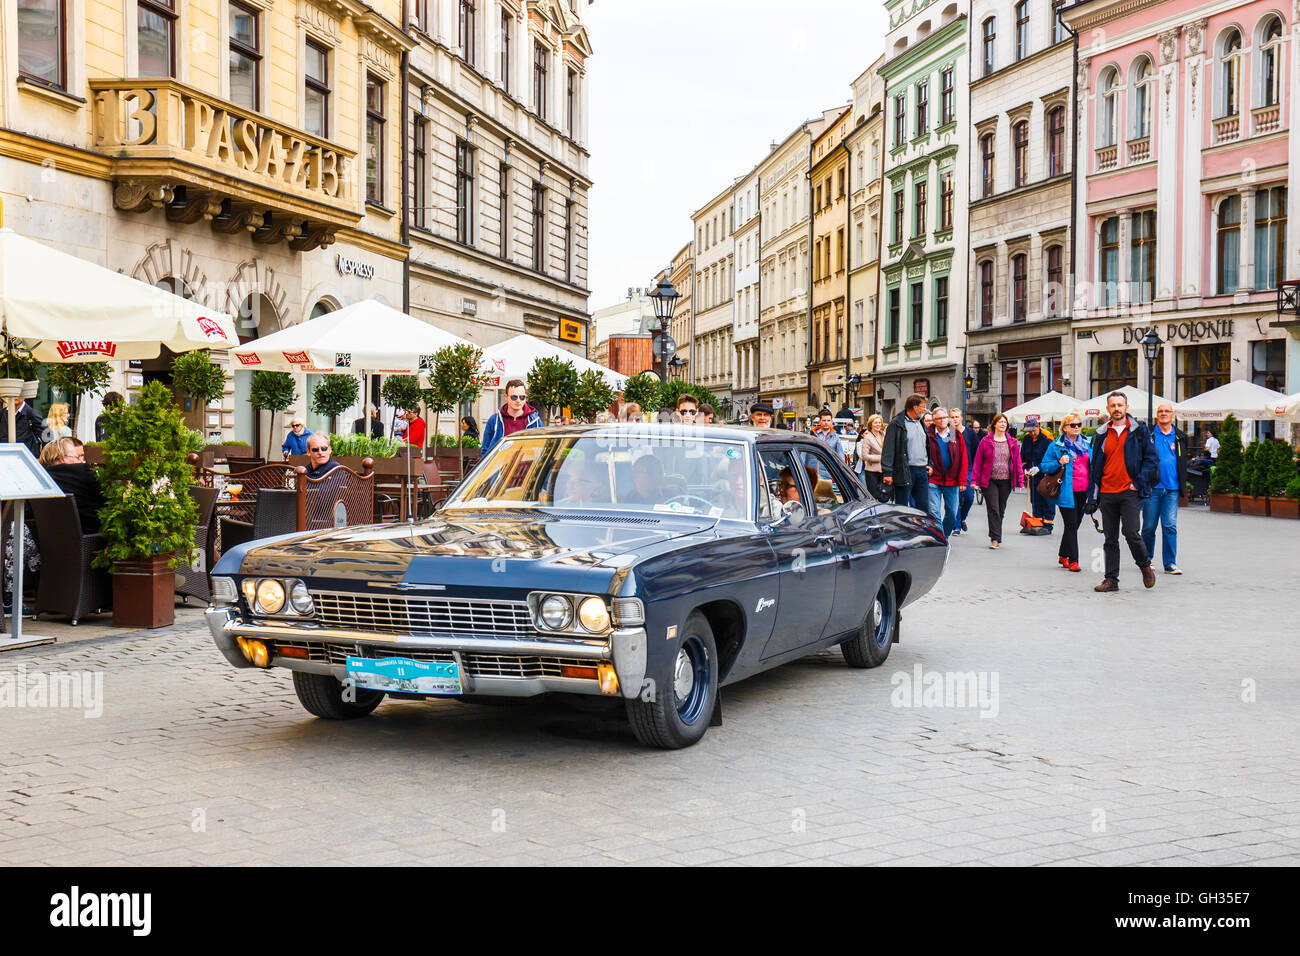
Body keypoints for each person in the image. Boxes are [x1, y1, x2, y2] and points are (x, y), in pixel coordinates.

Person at [1085, 391, 1159, 592]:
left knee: (1131, 531)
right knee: (1110, 538)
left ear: (1126, 407)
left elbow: (1152, 460)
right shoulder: (1101, 433)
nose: (1116, 409)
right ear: (1108, 409)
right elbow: (1095, 468)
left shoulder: (1139, 430)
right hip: (1107, 492)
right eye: (1113, 405)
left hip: (1129, 491)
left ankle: (1144, 565)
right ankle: (1111, 580)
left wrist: (1138, 482)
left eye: (1120, 405)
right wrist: (1092, 496)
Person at [1038, 414, 1090, 572]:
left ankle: (1063, 554)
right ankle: (1073, 560)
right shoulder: (1056, 445)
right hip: (1066, 491)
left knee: (1074, 525)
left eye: (1078, 424)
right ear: (1065, 427)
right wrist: (1058, 462)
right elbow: (1045, 466)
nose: (1076, 427)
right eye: (1072, 425)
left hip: (1084, 490)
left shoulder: (1088, 443)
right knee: (1072, 525)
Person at [1141, 401, 1188, 575]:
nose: (1163, 414)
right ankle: (1146, 560)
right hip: (1152, 488)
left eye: (1167, 411)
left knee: (1169, 526)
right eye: (1160, 411)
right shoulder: (1149, 435)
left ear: (1172, 415)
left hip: (1172, 488)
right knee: (1149, 526)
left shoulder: (1180, 437)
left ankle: (1170, 563)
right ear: (1156, 415)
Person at [971, 412, 1024, 549]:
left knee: (1001, 509)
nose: (1002, 424)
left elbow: (1017, 462)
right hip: (990, 480)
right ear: (994, 424)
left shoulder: (1012, 442)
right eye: (1000, 422)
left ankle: (996, 534)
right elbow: (978, 461)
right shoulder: (986, 441)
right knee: (993, 508)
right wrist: (974, 480)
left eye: (1004, 422)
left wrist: (1021, 480)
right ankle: (995, 539)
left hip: (1006, 480)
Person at [39, 437, 106, 534]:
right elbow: (108, 499)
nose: (81, 462)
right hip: (92, 539)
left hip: (49, 540)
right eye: (78, 457)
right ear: (62, 458)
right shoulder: (83, 473)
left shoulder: (41, 480)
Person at [881, 394, 931, 511]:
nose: (924, 410)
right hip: (904, 470)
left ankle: (919, 528)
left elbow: (926, 446)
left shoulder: (921, 423)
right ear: (915, 407)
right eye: (923, 407)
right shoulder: (897, 423)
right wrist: (887, 472)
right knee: (902, 507)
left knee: (923, 507)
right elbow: (888, 449)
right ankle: (901, 528)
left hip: (922, 471)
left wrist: (930, 464)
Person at [925, 408, 968, 538]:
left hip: (952, 479)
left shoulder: (954, 434)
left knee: (952, 512)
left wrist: (962, 480)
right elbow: (922, 453)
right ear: (934, 421)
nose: (943, 420)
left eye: (944, 417)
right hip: (933, 479)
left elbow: (963, 457)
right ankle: (940, 539)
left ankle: (944, 535)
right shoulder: (929, 434)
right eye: (939, 418)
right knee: (934, 512)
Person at [482, 380, 543, 454]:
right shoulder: (494, 420)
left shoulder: (535, 421)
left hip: (526, 464)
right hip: (500, 464)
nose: (518, 400)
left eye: (522, 397)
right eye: (514, 397)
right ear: (506, 397)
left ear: (526, 398)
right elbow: (485, 449)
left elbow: (540, 448)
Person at [1020, 415, 1056, 530]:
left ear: (1038, 426)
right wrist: (1025, 469)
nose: (1032, 433)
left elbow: (1052, 458)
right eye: (1029, 431)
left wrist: (1040, 467)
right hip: (1033, 476)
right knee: (1035, 500)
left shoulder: (1047, 439)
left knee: (1047, 500)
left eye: (1033, 431)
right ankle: (1037, 522)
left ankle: (1048, 525)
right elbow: (1023, 458)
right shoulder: (1026, 439)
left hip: (1046, 476)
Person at [952, 409, 976, 532]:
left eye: (957, 416)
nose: (954, 419)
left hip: (969, 468)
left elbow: (976, 451)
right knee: (956, 496)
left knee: (969, 497)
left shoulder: (970, 432)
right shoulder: (950, 432)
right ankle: (956, 526)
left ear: (961, 418)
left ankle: (962, 518)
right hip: (954, 469)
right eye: (952, 417)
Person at [855, 414, 887, 501]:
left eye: (879, 422)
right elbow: (864, 456)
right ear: (871, 424)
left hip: (885, 470)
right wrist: (881, 458)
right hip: (872, 471)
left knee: (885, 496)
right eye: (875, 422)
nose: (878, 424)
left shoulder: (884, 435)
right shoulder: (868, 438)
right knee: (874, 497)